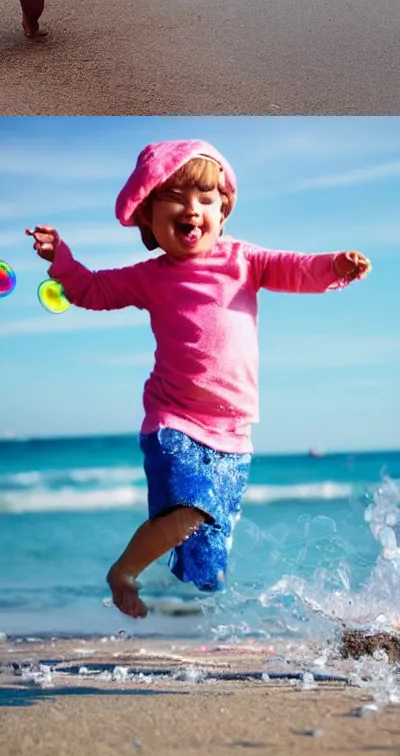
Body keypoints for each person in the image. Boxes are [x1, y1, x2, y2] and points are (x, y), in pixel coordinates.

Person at [26, 140, 370, 618]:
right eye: (178, 199)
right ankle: (122, 571)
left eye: (206, 200)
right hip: (174, 421)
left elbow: (296, 269)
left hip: (233, 434)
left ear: (223, 213)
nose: (193, 209)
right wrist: (59, 257)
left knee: (208, 566)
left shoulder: (244, 260)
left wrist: (334, 266)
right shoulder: (151, 276)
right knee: (189, 510)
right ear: (148, 214)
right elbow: (92, 289)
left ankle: (196, 600)